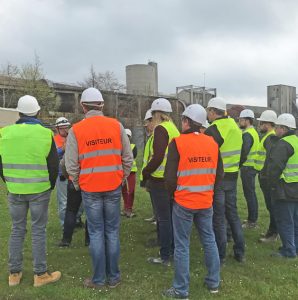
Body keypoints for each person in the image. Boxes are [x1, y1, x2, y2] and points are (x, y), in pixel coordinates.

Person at [65, 87, 133, 289]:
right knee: (112, 232)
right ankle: (113, 278)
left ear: (83, 106)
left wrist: (78, 182)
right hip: (112, 186)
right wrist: (121, 177)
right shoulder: (116, 126)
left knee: (96, 233)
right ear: (102, 104)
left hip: (90, 189)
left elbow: (71, 163)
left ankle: (98, 279)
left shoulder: (76, 130)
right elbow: (127, 158)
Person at [0, 95, 61, 287]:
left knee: (17, 229)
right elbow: (54, 165)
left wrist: (9, 181)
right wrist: (50, 186)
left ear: (18, 112)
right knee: (38, 230)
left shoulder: (5, 133)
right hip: (39, 190)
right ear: (37, 112)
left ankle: (14, 275)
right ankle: (40, 274)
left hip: (15, 189)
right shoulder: (45, 134)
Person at [163, 104, 222, 299]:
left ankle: (181, 290)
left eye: (183, 120)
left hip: (183, 202)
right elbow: (219, 175)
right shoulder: (212, 143)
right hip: (206, 202)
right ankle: (214, 283)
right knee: (209, 240)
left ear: (187, 122)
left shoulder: (177, 143)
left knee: (182, 246)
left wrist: (173, 195)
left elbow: (170, 178)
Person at [205, 97, 245, 264]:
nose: (207, 115)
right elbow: (242, 154)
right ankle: (240, 252)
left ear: (213, 112)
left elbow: (205, 153)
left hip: (219, 178)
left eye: (208, 112)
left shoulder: (214, 129)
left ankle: (220, 255)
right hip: (233, 176)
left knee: (219, 218)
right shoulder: (235, 127)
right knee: (233, 215)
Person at [142, 98, 180, 266]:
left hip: (160, 180)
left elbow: (157, 157)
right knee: (171, 218)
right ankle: (173, 251)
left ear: (157, 113)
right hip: (173, 179)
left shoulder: (160, 129)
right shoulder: (174, 128)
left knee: (164, 220)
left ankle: (166, 256)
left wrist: (146, 171)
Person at [267, 113, 298, 258]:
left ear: (284, 128)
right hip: (295, 188)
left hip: (284, 189)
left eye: (278, 127)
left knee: (285, 221)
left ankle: (288, 251)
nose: (276, 130)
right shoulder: (296, 141)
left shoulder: (283, 144)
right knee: (295, 221)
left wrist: (271, 185)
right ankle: (295, 247)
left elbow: (274, 168)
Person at [255, 110, 279, 242]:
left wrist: (264, 174)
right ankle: (274, 231)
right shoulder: (270, 136)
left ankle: (273, 233)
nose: (259, 125)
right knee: (271, 205)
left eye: (261, 122)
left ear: (268, 124)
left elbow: (271, 158)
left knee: (271, 206)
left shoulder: (270, 138)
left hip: (266, 178)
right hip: (265, 176)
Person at [239, 109, 260, 229]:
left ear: (247, 120)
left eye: (241, 120)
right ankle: (253, 218)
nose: (239, 122)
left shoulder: (247, 134)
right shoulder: (253, 132)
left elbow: (244, 153)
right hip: (251, 167)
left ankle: (252, 221)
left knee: (249, 194)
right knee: (251, 193)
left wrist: (238, 165)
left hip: (247, 168)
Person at [54, 117, 71, 227]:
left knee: (78, 202)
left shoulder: (72, 137)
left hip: (73, 174)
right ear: (57, 129)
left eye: (67, 127)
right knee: (64, 202)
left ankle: (77, 220)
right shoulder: (54, 140)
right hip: (62, 176)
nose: (65, 130)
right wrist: (63, 149)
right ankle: (65, 224)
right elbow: (54, 156)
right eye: (63, 128)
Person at [140, 109, 156, 223]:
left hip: (154, 173)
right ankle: (155, 215)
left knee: (157, 198)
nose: (146, 127)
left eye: (148, 124)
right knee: (153, 197)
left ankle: (157, 216)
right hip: (149, 173)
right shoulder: (151, 137)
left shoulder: (157, 136)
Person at [121, 128, 137, 218]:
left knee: (131, 190)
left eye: (128, 136)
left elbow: (133, 156)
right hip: (122, 171)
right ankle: (125, 209)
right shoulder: (119, 146)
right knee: (123, 191)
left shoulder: (133, 146)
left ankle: (129, 209)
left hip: (132, 171)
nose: (126, 138)